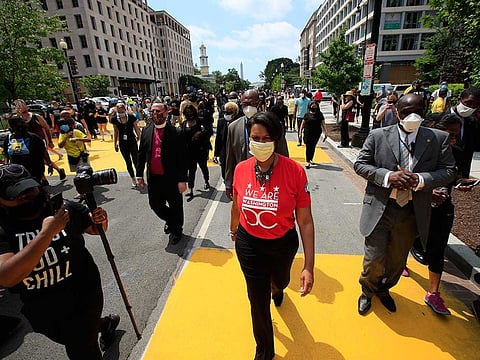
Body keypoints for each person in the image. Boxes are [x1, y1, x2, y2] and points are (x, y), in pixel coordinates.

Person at [0, 164, 119, 359]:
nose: (26, 196)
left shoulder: (61, 208)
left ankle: (96, 326)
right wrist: (48, 232)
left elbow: (96, 229)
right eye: (16, 195)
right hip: (43, 308)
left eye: (29, 189)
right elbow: (6, 276)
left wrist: (100, 219)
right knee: (74, 337)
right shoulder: (3, 228)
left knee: (82, 348)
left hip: (84, 296)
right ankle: (104, 324)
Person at [354, 93, 456, 315]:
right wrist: (388, 176)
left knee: (397, 261)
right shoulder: (378, 135)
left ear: (425, 110)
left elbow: (449, 170)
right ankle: (368, 290)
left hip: (411, 211)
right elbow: (361, 165)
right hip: (381, 207)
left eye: (417, 111)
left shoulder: (438, 138)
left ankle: (385, 289)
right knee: (374, 260)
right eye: (406, 112)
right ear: (397, 113)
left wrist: (421, 180)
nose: (412, 116)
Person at [230, 111, 314, 360]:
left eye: (267, 138)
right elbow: (236, 204)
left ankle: (277, 289)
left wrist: (309, 266)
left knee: (280, 282)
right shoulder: (241, 169)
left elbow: (306, 221)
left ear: (276, 139)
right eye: (255, 137)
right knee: (257, 300)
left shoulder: (295, 172)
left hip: (282, 244)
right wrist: (233, 229)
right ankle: (264, 351)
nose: (260, 143)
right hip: (249, 244)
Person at [136, 102, 188, 245]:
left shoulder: (176, 132)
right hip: (153, 178)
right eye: (152, 111)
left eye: (158, 111)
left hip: (171, 178)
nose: (155, 114)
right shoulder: (146, 131)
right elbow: (141, 155)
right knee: (155, 205)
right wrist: (139, 174)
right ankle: (171, 221)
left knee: (175, 205)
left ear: (166, 112)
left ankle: (177, 230)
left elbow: (183, 158)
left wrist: (183, 179)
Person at [224, 90, 289, 200]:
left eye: (252, 103)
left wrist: (285, 179)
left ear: (258, 103)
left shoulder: (273, 124)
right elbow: (230, 157)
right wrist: (228, 183)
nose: (248, 107)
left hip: (271, 178)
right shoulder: (233, 127)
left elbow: (283, 153)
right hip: (245, 178)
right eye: (245, 104)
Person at [14, 99, 66, 181]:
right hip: (28, 143)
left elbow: (46, 128)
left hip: (40, 141)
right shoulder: (19, 119)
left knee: (42, 158)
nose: (20, 107)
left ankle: (56, 171)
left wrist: (50, 140)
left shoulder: (36, 117)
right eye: (18, 105)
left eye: (22, 104)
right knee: (36, 160)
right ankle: (47, 176)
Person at [3, 116, 50, 184]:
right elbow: (6, 153)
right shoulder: (9, 138)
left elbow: (43, 152)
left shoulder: (33, 138)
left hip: (33, 170)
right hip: (19, 171)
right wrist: (6, 165)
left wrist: (50, 164)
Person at [179, 104, 213, 199]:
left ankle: (206, 181)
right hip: (189, 152)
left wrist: (201, 133)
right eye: (187, 112)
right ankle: (191, 189)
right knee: (191, 171)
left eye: (191, 112)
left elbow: (209, 130)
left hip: (201, 150)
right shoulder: (183, 124)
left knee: (203, 167)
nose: (190, 114)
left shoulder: (200, 121)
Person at [110, 103, 142, 189]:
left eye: (122, 110)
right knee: (128, 162)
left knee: (136, 160)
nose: (121, 112)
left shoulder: (131, 117)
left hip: (132, 140)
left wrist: (141, 139)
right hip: (122, 142)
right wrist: (115, 143)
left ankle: (139, 178)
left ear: (125, 109)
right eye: (119, 110)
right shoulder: (114, 119)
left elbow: (136, 128)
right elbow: (115, 131)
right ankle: (133, 179)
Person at [214, 101, 240, 180]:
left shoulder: (239, 122)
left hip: (236, 154)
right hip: (224, 153)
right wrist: (216, 154)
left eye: (229, 113)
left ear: (234, 113)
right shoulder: (221, 122)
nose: (226, 114)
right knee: (224, 174)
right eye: (225, 112)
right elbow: (218, 138)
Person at [299, 102, 328, 169]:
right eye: (312, 106)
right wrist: (300, 132)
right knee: (308, 146)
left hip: (316, 133)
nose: (314, 108)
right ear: (310, 107)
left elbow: (323, 123)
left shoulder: (320, 114)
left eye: (315, 107)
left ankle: (311, 159)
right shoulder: (307, 114)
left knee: (313, 146)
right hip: (307, 132)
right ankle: (308, 161)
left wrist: (326, 132)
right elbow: (302, 124)